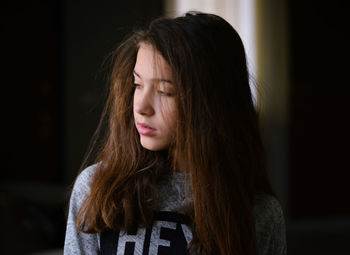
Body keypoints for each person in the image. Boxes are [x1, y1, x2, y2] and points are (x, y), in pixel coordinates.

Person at [64, 11, 287, 255]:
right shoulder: (97, 190)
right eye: (137, 85)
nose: (140, 107)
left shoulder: (259, 213)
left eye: (164, 91)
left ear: (211, 104)